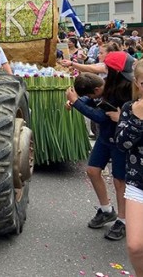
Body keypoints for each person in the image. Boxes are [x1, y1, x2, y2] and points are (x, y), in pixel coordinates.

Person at [66, 51, 134, 241]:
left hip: (121, 141)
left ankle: (123, 220)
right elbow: (97, 100)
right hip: (105, 138)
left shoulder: (130, 89)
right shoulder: (108, 83)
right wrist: (80, 101)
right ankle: (106, 210)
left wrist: (77, 103)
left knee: (120, 181)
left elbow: (99, 116)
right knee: (92, 170)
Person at [116, 60, 143, 276]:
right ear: (137, 83)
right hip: (138, 181)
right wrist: (139, 117)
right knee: (135, 246)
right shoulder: (129, 109)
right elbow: (122, 143)